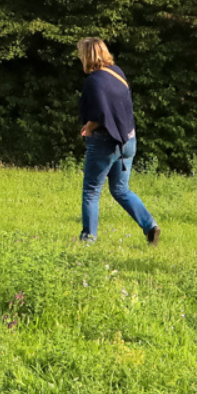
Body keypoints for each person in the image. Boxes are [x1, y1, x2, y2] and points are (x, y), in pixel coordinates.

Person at [77, 37, 160, 244]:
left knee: (91, 191)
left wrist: (89, 128)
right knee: (121, 189)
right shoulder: (118, 73)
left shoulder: (94, 81)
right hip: (128, 140)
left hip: (106, 142)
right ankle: (150, 226)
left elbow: (99, 115)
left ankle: (88, 240)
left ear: (87, 55)